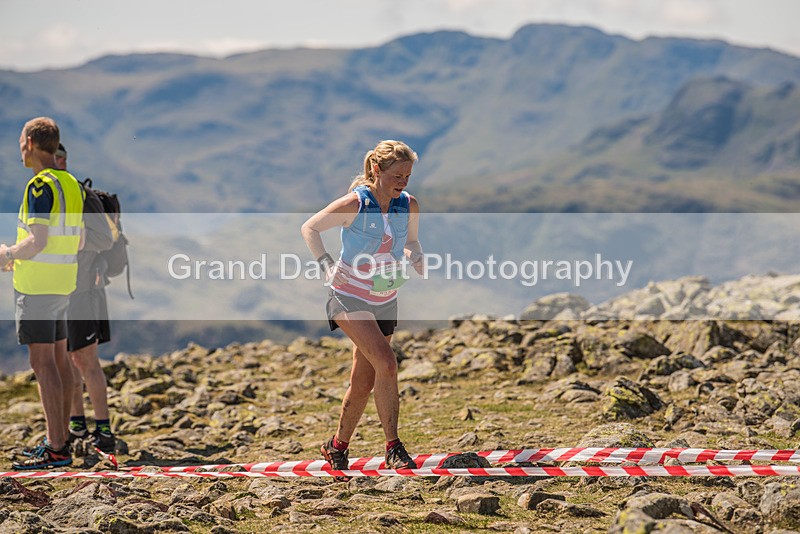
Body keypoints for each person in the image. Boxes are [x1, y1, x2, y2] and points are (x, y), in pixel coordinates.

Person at [301, 140, 425, 478]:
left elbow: (411, 241)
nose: (403, 182)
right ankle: (393, 448)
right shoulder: (356, 203)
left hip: (384, 298)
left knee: (364, 379)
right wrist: (325, 263)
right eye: (397, 175)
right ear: (376, 171)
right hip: (348, 296)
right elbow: (310, 227)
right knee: (386, 362)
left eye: (408, 176)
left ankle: (336, 447)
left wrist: (415, 255)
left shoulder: (408, 205)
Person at [1, 117, 84, 469]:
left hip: (36, 286)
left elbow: (38, 240)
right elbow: (79, 239)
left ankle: (55, 447)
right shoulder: (71, 183)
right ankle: (61, 442)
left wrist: (7, 254)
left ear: (31, 143)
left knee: (43, 363)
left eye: (21, 140)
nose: (19, 147)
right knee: (60, 360)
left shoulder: (39, 186)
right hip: (64, 283)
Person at [55, 143, 117, 454]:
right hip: (59, 290)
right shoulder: (54, 195)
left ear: (62, 160)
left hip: (85, 291)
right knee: (65, 358)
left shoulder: (82, 195)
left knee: (85, 360)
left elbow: (105, 239)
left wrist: (74, 240)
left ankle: (104, 430)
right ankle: (77, 423)